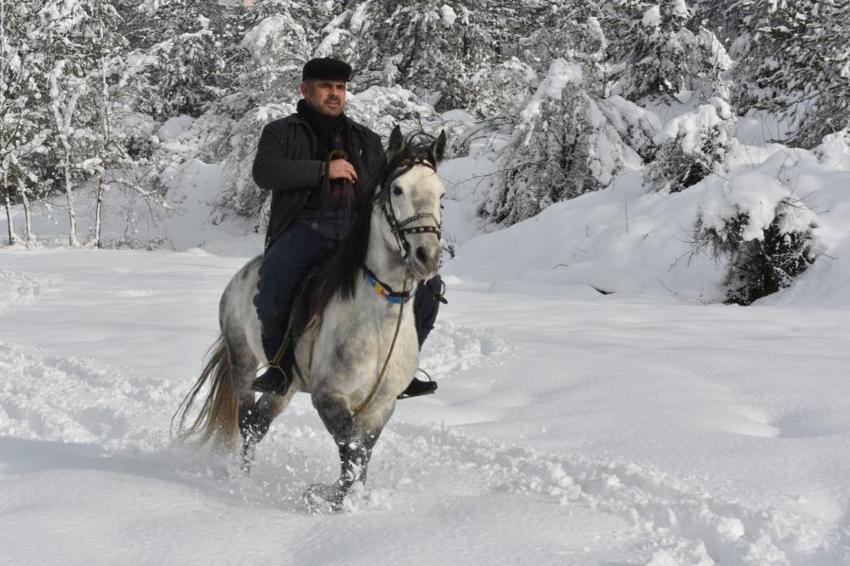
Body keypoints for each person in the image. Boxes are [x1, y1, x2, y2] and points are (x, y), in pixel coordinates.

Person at [250, 57, 442, 399]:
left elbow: (384, 192)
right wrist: (324, 169)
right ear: (306, 90)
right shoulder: (282, 132)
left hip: (357, 231)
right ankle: (279, 367)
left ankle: (402, 368)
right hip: (304, 227)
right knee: (273, 286)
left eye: (340, 88)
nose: (334, 94)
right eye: (326, 87)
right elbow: (266, 172)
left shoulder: (365, 140)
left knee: (429, 286)